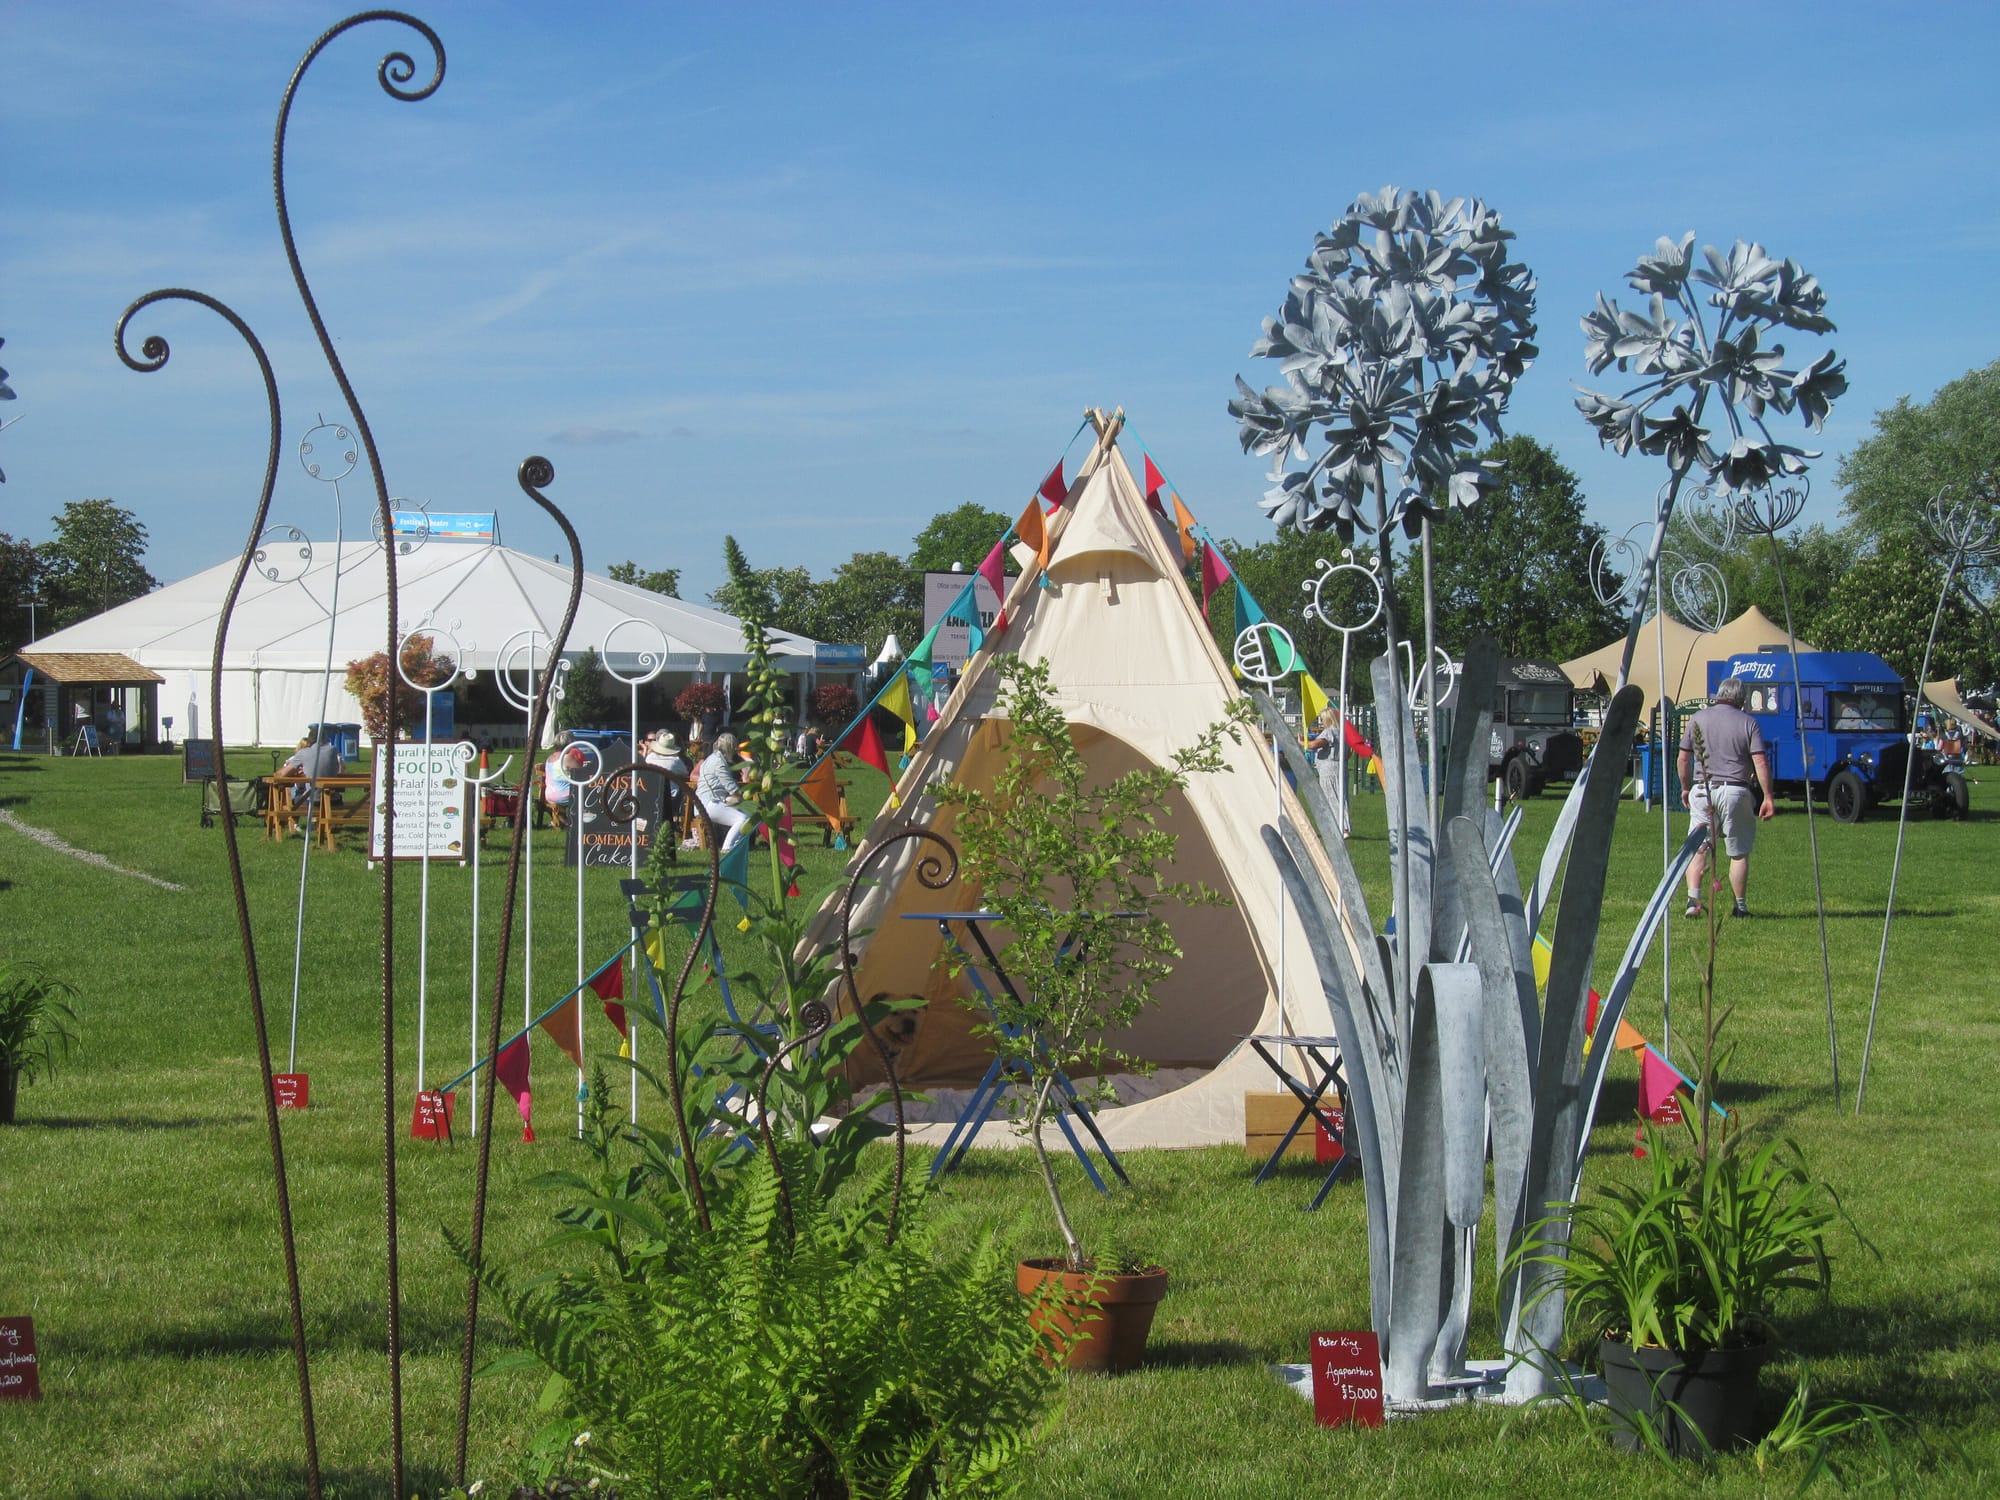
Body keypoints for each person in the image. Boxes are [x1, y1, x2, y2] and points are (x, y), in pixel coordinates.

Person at [1678, 676, 1776, 920]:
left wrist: (1685, 787)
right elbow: (1760, 761)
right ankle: (1740, 907)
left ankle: (1693, 901)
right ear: (1741, 699)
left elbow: (1683, 758)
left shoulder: (1698, 719)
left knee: (1699, 848)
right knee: (1738, 851)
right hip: (1736, 790)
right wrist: (1768, 796)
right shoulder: (1749, 722)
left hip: (1703, 789)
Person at [693, 731, 750, 852]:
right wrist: (742, 797)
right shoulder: (719, 763)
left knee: (747, 816)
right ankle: (727, 848)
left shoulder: (711, 759)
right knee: (744, 819)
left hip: (705, 803)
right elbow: (732, 788)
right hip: (709, 804)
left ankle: (737, 847)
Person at [281, 730, 343, 804]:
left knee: (293, 803)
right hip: (334, 800)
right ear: (325, 738)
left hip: (313, 800)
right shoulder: (333, 750)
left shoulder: (304, 752)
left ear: (309, 740)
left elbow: (282, 774)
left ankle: (291, 815)